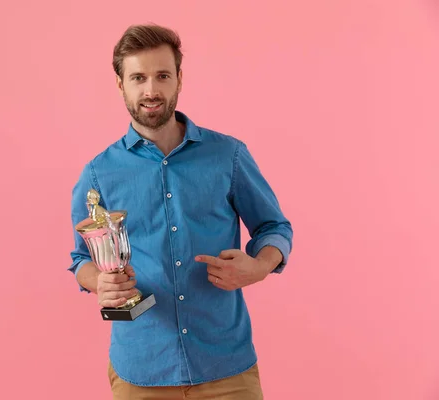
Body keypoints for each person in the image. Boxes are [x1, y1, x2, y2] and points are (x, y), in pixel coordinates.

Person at [68, 23, 293, 400]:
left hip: (227, 369)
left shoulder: (228, 156)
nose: (151, 90)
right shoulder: (98, 174)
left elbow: (274, 226)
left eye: (162, 76)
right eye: (138, 77)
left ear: (179, 79)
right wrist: (99, 282)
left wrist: (258, 266)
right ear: (121, 84)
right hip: (140, 371)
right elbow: (80, 258)